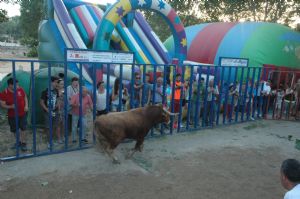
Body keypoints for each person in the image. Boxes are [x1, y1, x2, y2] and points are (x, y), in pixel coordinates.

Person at [0, 78, 28, 151]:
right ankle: (18, 142)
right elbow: (2, 105)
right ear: (10, 85)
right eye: (16, 85)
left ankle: (24, 143)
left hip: (22, 113)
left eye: (18, 84)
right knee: (15, 130)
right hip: (12, 115)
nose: (18, 86)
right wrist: (10, 106)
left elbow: (25, 97)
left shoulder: (20, 89)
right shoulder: (4, 93)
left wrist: (26, 106)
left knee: (23, 128)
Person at [40, 76, 60, 146]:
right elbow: (41, 102)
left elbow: (57, 99)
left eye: (57, 82)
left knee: (55, 125)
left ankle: (53, 140)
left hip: (55, 111)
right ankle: (49, 141)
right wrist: (47, 109)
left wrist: (57, 104)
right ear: (51, 82)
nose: (57, 84)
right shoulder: (45, 92)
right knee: (48, 126)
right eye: (56, 82)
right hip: (48, 112)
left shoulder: (56, 91)